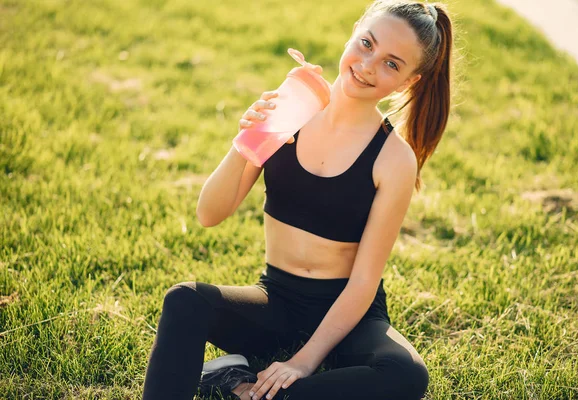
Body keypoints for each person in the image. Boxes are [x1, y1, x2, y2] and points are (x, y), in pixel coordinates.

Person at [142, 1, 454, 399]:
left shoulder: (393, 159)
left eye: (392, 64)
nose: (369, 64)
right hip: (277, 300)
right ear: (354, 31)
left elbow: (363, 282)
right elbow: (208, 213)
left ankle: (240, 385)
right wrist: (247, 142)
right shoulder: (293, 111)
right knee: (185, 301)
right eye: (366, 43)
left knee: (406, 374)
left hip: (350, 316)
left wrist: (303, 361)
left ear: (411, 81)